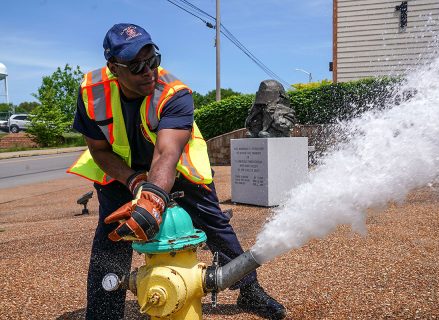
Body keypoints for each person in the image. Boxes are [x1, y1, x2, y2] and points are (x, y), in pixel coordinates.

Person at [68, 23, 286, 320]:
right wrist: (133, 181)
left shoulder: (174, 92)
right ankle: (104, 313)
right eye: (136, 65)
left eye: (153, 59)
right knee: (111, 239)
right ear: (114, 68)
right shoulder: (91, 92)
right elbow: (98, 149)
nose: (148, 71)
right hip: (120, 170)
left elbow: (166, 154)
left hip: (177, 165)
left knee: (215, 225)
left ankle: (249, 290)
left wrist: (153, 198)